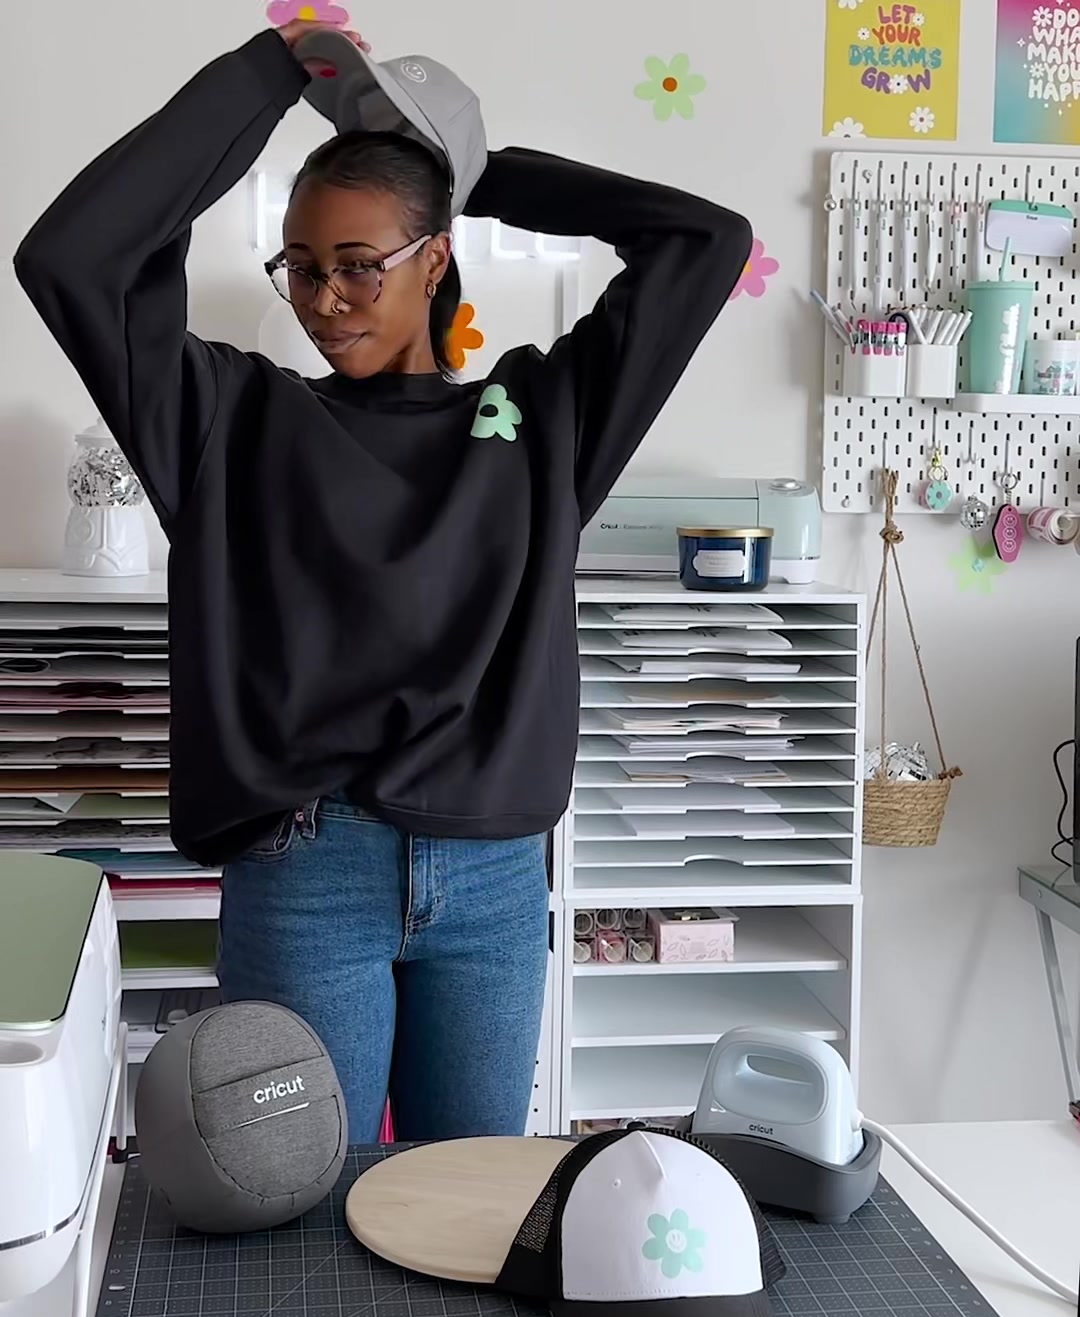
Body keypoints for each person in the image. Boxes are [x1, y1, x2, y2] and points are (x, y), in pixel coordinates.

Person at [15, 19, 752, 1144]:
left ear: (436, 258)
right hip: (307, 877)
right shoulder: (228, 420)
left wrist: (467, 169)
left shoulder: (539, 422)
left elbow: (706, 240)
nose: (325, 299)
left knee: (473, 1204)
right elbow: (73, 258)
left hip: (494, 882)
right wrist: (273, 69)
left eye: (360, 264)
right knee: (304, 1211)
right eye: (301, 267)